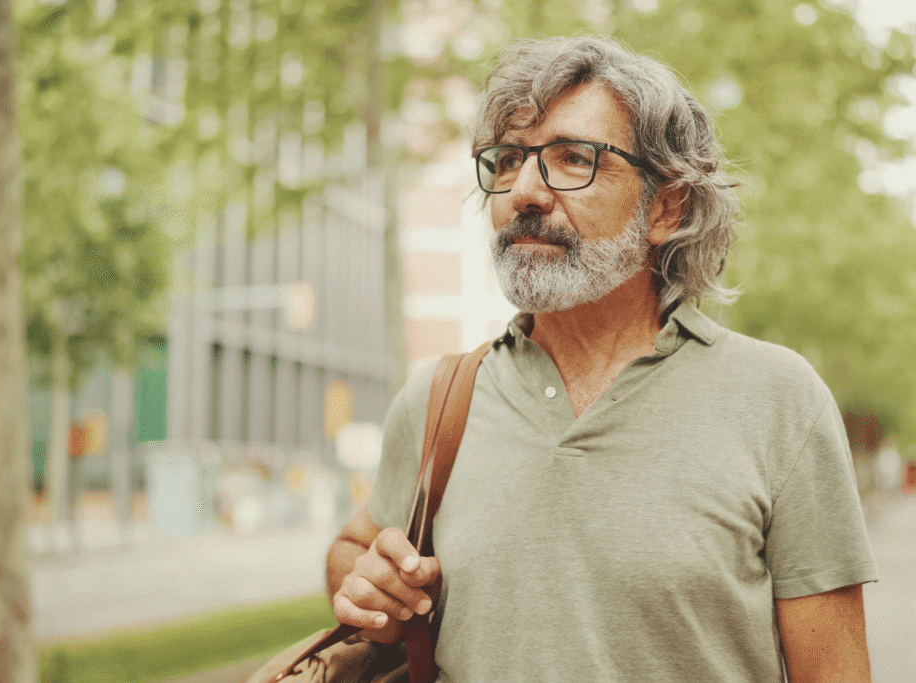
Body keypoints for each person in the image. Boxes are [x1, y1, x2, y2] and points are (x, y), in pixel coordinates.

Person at [326, 35, 878, 682]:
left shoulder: (780, 400)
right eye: (507, 160)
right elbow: (355, 549)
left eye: (572, 158)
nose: (525, 190)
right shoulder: (440, 399)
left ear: (665, 207)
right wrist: (372, 593)